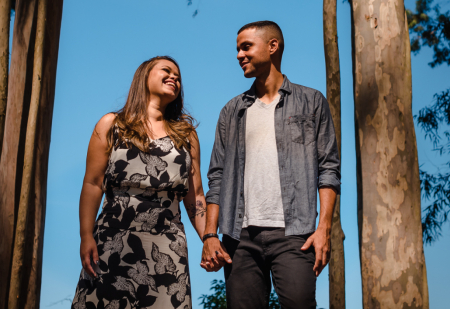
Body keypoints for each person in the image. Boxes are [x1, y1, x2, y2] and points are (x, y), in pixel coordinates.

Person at [200, 21, 341, 309]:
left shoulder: (311, 102)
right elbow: (217, 177)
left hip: (295, 234)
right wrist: (210, 235)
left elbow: (328, 169)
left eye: (246, 46)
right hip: (239, 239)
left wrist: (323, 229)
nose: (239, 55)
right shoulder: (232, 110)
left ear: (272, 46)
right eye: (238, 49)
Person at [72, 56, 206, 309]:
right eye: (166, 71)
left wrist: (209, 239)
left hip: (167, 244)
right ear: (144, 77)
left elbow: (196, 195)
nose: (174, 78)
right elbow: (92, 183)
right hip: (112, 239)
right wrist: (85, 235)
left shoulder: (186, 135)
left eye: (178, 76)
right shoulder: (111, 124)